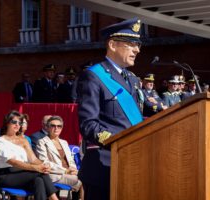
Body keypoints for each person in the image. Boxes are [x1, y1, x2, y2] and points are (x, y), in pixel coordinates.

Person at [76, 17, 144, 200]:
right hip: (105, 165)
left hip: (133, 163)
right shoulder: (93, 76)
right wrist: (116, 140)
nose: (136, 49)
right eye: (131, 44)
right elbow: (88, 124)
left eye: (137, 44)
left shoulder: (132, 79)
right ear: (113, 44)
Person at [0, 110, 58, 200]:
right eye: (14, 122)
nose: (17, 124)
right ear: (7, 123)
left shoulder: (24, 140)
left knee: (39, 181)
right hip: (5, 175)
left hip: (23, 173)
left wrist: (43, 165)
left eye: (20, 122)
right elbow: (13, 162)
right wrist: (36, 168)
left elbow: (33, 160)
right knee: (39, 173)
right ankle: (55, 198)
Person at [35, 115, 83, 199]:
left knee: (88, 177)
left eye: (59, 126)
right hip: (55, 174)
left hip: (70, 173)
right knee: (83, 179)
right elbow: (44, 162)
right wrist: (66, 171)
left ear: (62, 128)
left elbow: (71, 160)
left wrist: (73, 169)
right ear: (48, 127)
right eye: (53, 126)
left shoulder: (64, 142)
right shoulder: (42, 142)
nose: (56, 128)